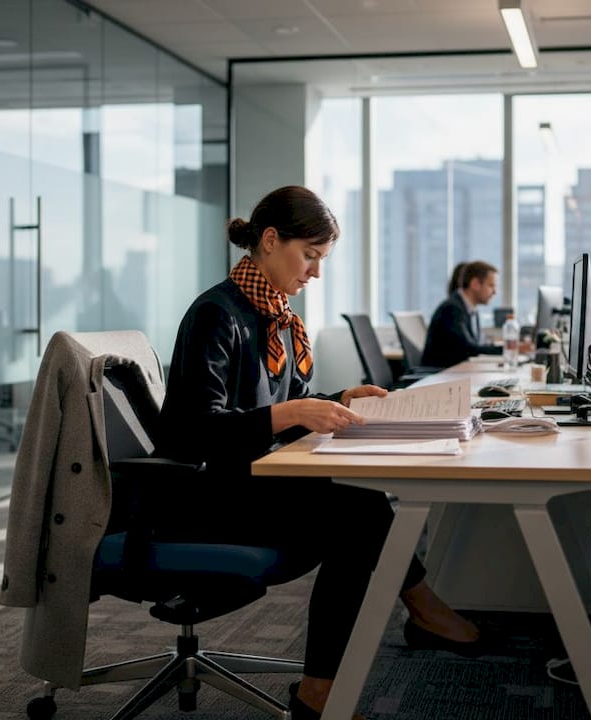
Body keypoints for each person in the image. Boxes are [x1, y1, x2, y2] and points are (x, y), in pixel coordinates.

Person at [155, 186, 483, 719]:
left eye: (321, 259)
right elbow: (193, 431)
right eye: (309, 255)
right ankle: (405, 621)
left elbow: (284, 405)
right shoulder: (217, 314)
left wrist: (338, 399)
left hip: (253, 477)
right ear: (269, 241)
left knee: (357, 504)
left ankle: (330, 683)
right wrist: (292, 414)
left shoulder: (275, 315)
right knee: (356, 509)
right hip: (206, 493)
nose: (316, 272)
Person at [420, 260, 504, 368]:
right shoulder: (452, 309)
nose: (495, 292)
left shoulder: (470, 309)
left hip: (457, 372)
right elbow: (468, 349)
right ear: (475, 284)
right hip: (443, 374)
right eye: (491, 286)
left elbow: (478, 344)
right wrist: (508, 348)